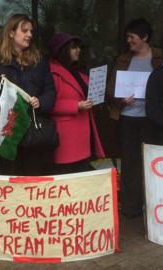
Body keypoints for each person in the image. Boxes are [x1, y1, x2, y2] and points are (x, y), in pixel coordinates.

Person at [0, 14, 55, 176]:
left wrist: (40, 102)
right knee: (8, 184)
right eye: (24, 30)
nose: (29, 35)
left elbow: (50, 92)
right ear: (11, 33)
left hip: (33, 137)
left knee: (33, 183)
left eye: (31, 31)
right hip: (7, 135)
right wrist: (5, 108)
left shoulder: (40, 62)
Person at [106, 18, 163, 218]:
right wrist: (121, 100)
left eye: (132, 36)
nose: (128, 40)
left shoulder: (160, 58)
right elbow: (111, 90)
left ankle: (155, 207)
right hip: (128, 119)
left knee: (153, 162)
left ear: (145, 37)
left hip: (152, 119)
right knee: (130, 164)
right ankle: (131, 208)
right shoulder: (122, 59)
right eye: (127, 37)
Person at [47, 33, 104, 175]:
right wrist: (76, 106)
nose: (78, 50)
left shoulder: (80, 73)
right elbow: (47, 104)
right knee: (67, 181)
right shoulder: (51, 72)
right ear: (62, 50)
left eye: (78, 47)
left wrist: (97, 97)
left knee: (80, 179)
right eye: (73, 48)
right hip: (66, 139)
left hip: (82, 137)